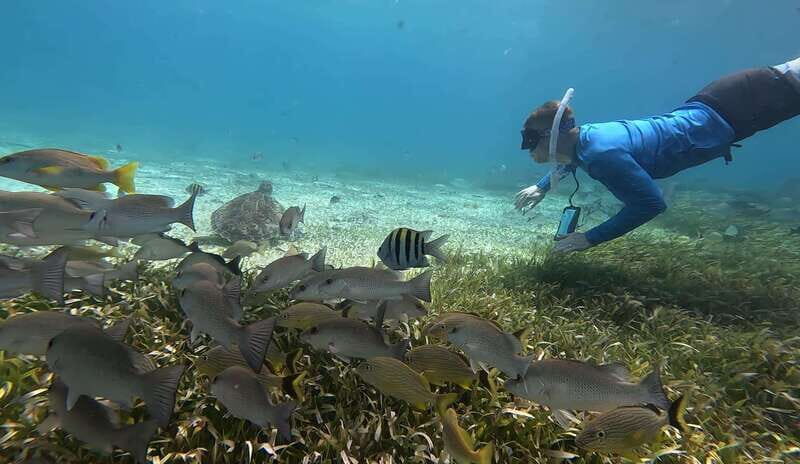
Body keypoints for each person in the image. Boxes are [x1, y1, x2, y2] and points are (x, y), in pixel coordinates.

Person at [515, 57, 800, 253]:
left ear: (553, 135)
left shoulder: (602, 156)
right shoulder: (585, 138)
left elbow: (650, 204)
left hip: (743, 105)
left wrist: (589, 238)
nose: (526, 148)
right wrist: (541, 187)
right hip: (726, 101)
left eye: (530, 140)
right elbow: (573, 158)